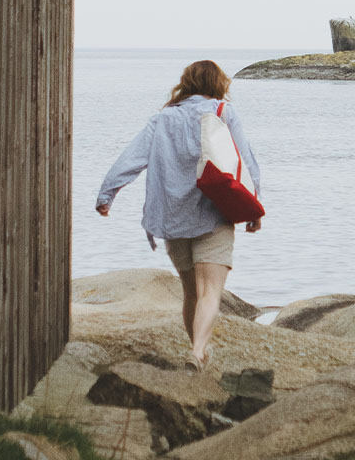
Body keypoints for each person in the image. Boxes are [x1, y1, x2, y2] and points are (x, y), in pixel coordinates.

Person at [95, 60, 261, 372]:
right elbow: (245, 161)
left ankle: (197, 350)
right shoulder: (224, 113)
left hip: (173, 219)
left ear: (186, 85)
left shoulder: (162, 119)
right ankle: (198, 352)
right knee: (210, 291)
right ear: (218, 84)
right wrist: (254, 206)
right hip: (214, 214)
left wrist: (108, 194)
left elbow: (131, 158)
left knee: (190, 293)